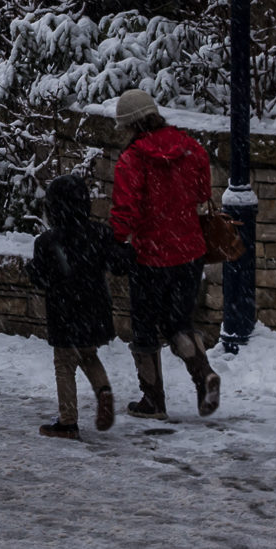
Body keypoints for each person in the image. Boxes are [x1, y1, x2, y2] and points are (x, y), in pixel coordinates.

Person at [109, 88, 220, 419]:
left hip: (151, 257)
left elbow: (125, 211)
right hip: (190, 251)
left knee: (145, 330)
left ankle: (153, 401)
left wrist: (114, 242)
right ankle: (204, 374)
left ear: (131, 125)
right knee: (178, 322)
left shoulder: (133, 159)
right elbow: (202, 193)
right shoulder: (190, 146)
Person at [25, 173, 135, 438]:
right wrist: (130, 250)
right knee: (87, 354)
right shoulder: (99, 233)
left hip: (64, 314)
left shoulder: (47, 241)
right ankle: (103, 391)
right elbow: (119, 263)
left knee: (64, 363)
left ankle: (68, 421)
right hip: (94, 311)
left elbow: (40, 277)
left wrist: (31, 270)